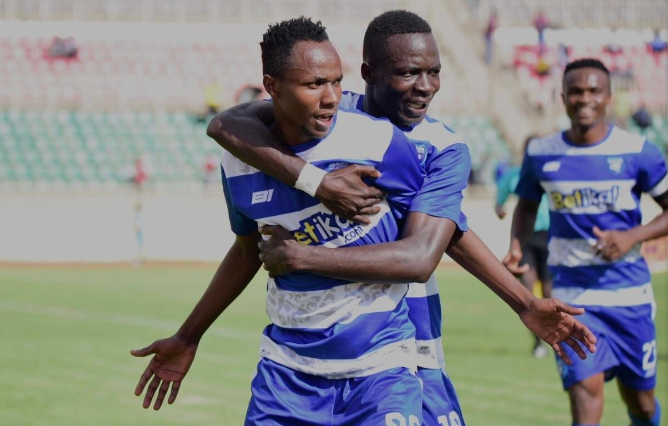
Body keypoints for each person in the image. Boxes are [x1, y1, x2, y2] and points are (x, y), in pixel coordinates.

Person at [207, 10, 596, 425]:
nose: (425, 87)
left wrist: (524, 302)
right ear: (369, 73)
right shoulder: (332, 119)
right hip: (311, 353)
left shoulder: (443, 148)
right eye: (409, 73)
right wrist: (318, 183)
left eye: (434, 72)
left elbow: (438, 242)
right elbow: (227, 124)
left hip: (409, 339)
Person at [132, 17, 461, 425]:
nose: (332, 97)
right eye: (314, 85)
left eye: (337, 82)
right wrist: (188, 335)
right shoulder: (239, 163)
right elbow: (246, 251)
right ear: (272, 87)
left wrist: (302, 256)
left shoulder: (377, 143)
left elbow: (440, 235)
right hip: (287, 375)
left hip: (381, 368)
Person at [504, 58, 668, 426]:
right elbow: (527, 204)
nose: (584, 99)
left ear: (609, 97)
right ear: (562, 97)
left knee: (642, 404)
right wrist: (517, 242)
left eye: (594, 90)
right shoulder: (541, 153)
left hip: (630, 299)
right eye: (576, 91)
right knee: (584, 398)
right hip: (572, 301)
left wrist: (631, 236)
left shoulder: (639, 152)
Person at [495, 136, 553, 358]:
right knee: (528, 287)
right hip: (526, 238)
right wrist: (499, 209)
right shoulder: (516, 175)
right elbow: (501, 198)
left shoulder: (552, 173)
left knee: (549, 290)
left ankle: (556, 333)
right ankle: (537, 342)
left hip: (550, 236)